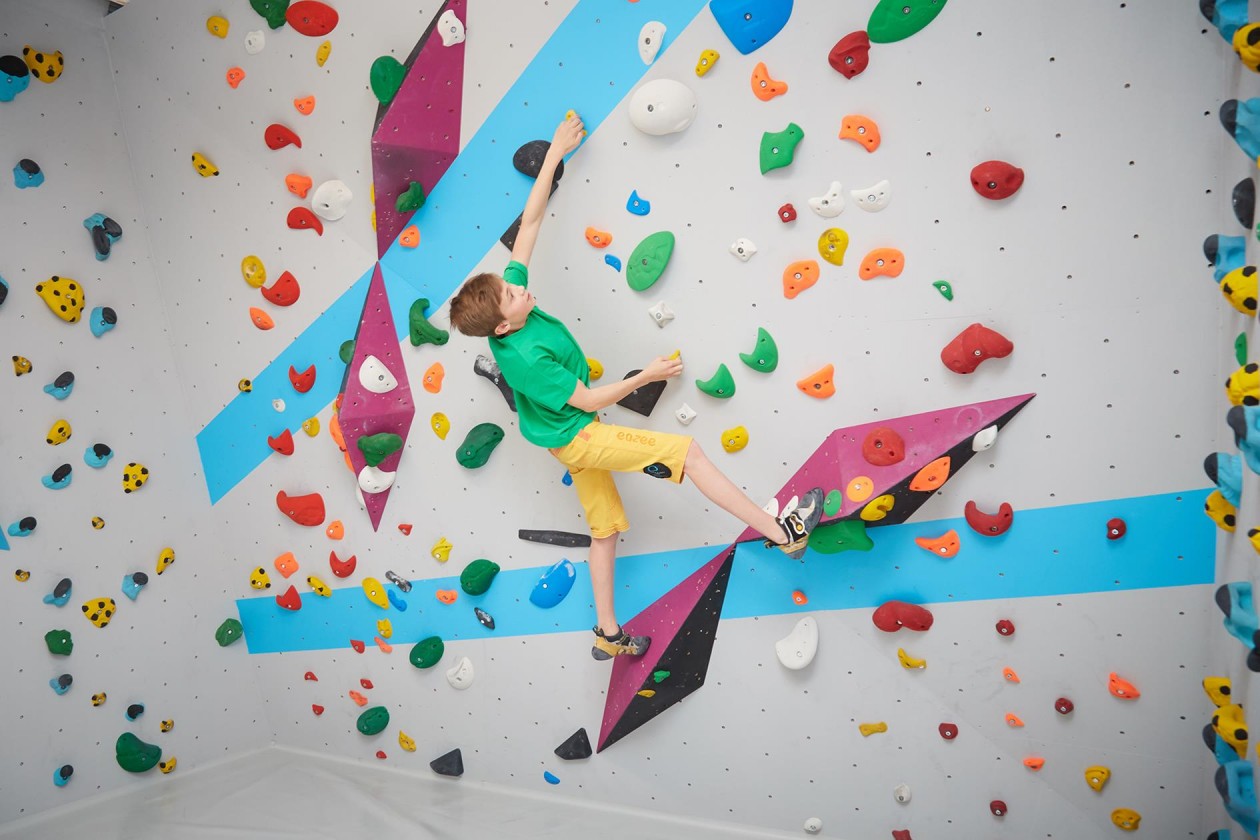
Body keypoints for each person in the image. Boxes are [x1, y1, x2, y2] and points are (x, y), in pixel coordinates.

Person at [448, 114, 823, 661]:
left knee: (605, 531)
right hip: (578, 434)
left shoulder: (514, 312)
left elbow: (527, 229)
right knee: (687, 453)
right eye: (511, 294)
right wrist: (645, 376)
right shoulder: (524, 355)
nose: (519, 288)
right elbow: (588, 401)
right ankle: (785, 534)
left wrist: (556, 153)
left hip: (567, 435)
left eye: (511, 286)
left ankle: (605, 631)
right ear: (502, 326)